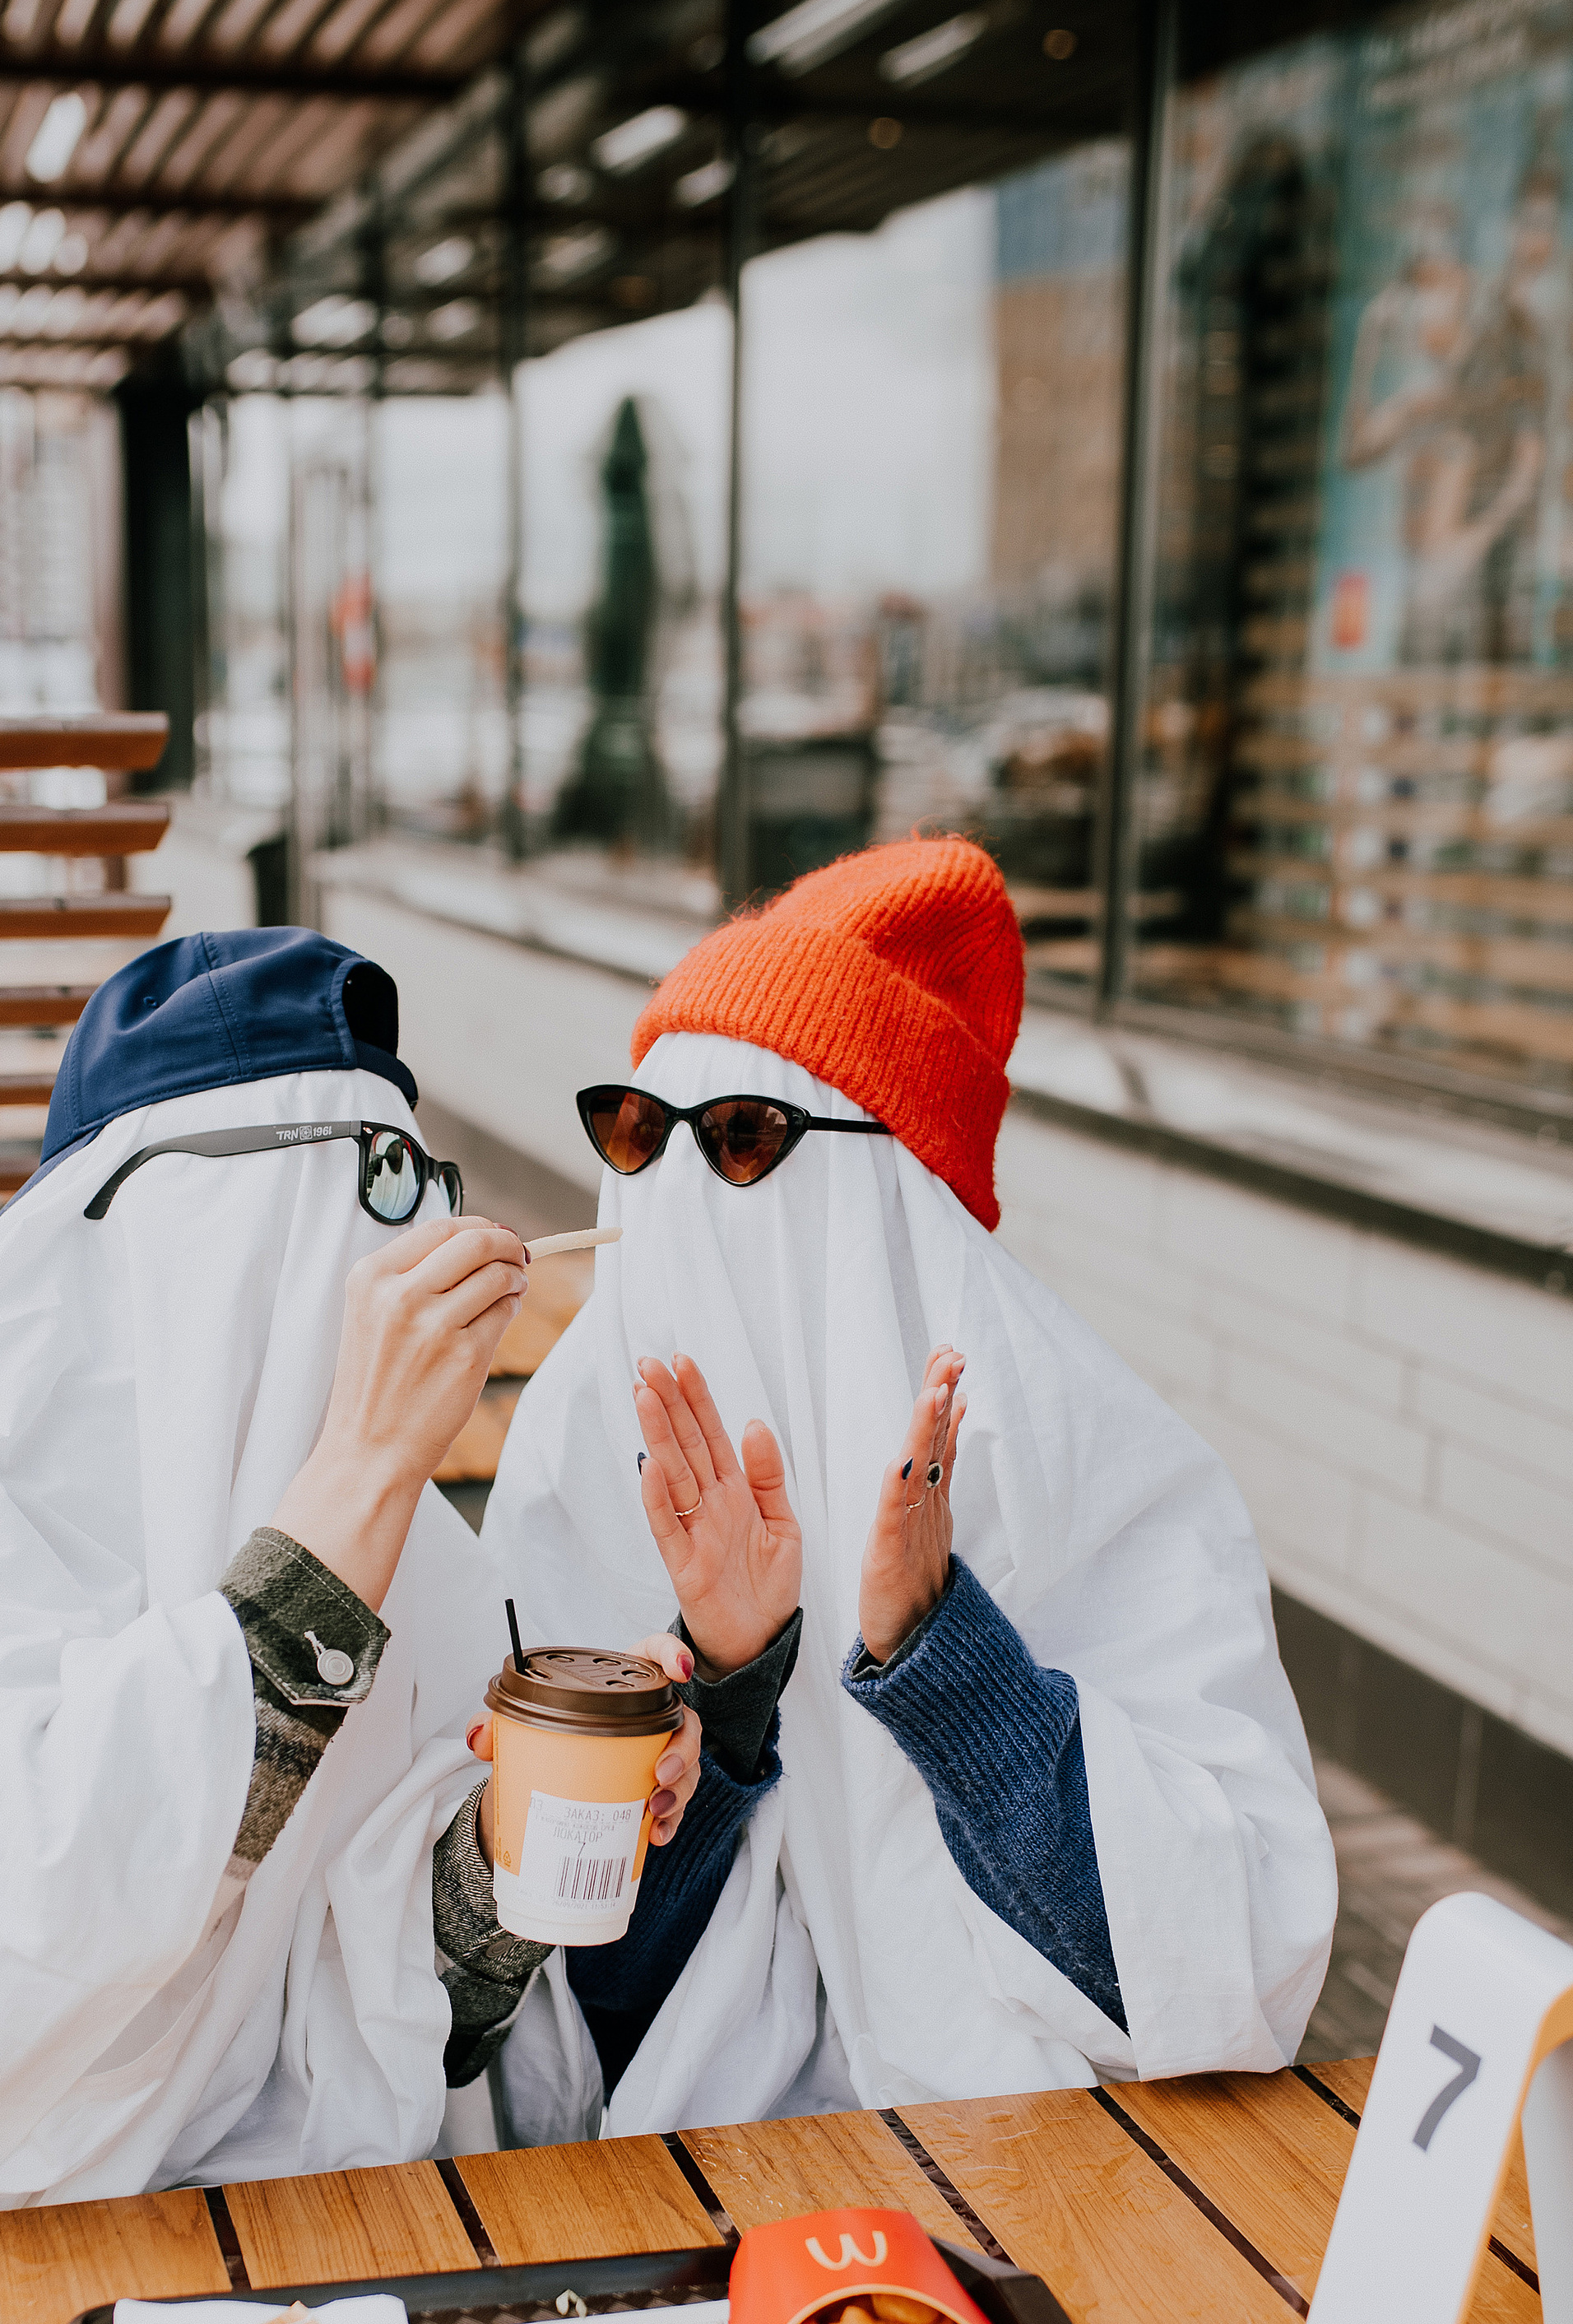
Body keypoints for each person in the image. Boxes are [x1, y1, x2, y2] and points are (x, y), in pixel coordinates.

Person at [0, 927, 697, 2253]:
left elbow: (410, 2019)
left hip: (272, 2225)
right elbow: (14, 1952)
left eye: (411, 1183)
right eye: (372, 1192)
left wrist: (520, 1850)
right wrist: (364, 1470)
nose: (407, 1246)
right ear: (191, 1239)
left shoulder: (411, 1550)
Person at [470, 836, 1337, 2140]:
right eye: (641, 1133)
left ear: (882, 1189)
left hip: (1047, 2177)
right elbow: (571, 2028)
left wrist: (939, 1656)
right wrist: (729, 1679)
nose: (682, 1206)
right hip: (699, 2178)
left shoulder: (1084, 1466)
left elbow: (1233, 1981)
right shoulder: (588, 1439)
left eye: (747, 1140)